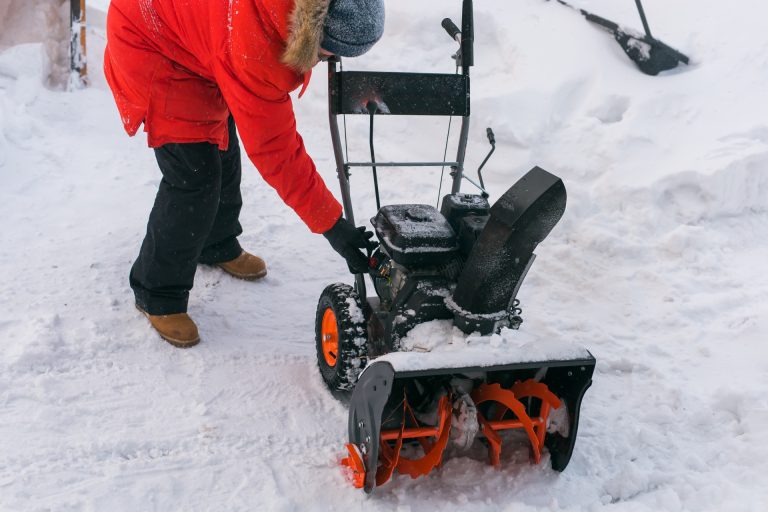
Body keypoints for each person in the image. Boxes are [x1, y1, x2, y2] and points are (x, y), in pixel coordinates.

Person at [104, 0, 384, 347]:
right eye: (328, 54)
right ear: (314, 30)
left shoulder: (270, 21)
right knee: (195, 175)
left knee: (220, 144)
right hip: (153, 39)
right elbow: (276, 149)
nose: (327, 61)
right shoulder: (256, 43)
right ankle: (156, 292)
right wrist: (333, 227)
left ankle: (214, 243)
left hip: (199, 29)